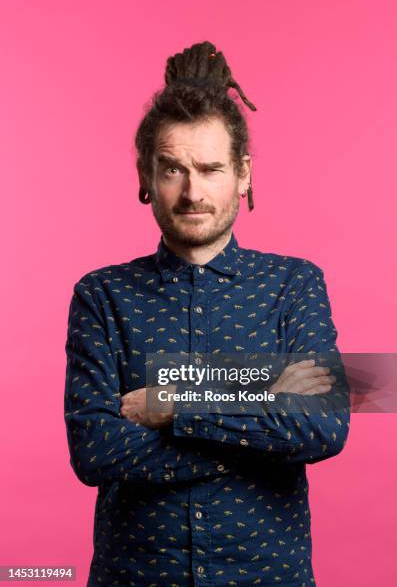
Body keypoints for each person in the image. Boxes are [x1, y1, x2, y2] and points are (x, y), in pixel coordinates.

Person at [64, 41, 350, 586]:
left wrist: (175, 404)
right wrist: (259, 410)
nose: (193, 192)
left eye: (211, 168)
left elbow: (324, 425)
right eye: (173, 169)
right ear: (146, 175)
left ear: (242, 175)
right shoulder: (101, 295)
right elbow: (94, 449)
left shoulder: (295, 284)